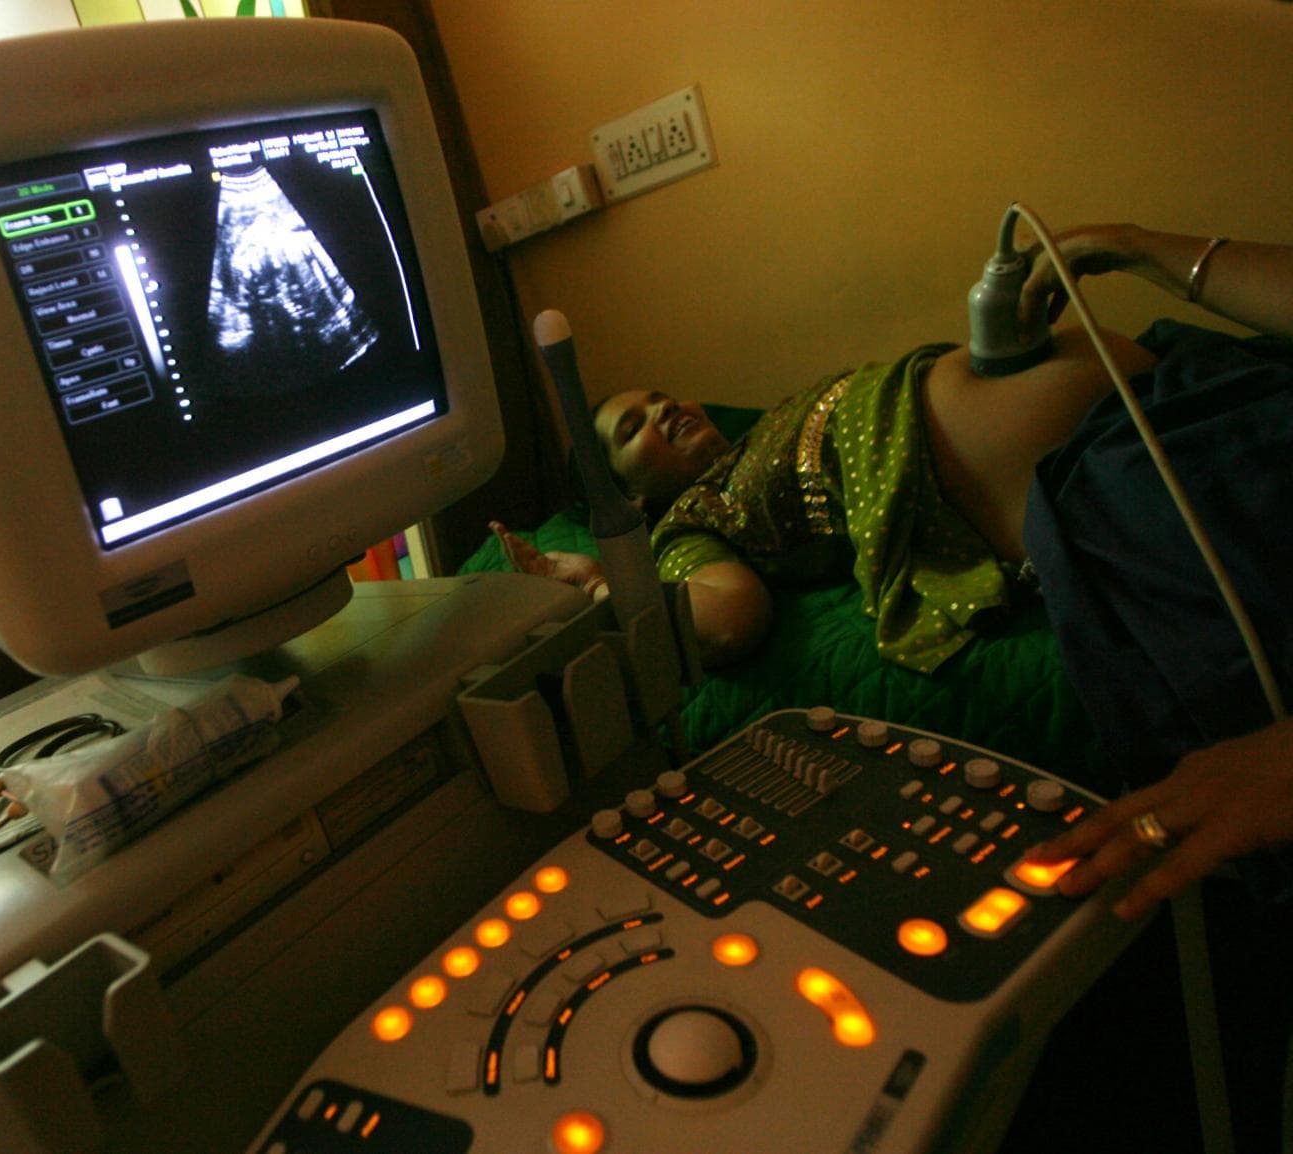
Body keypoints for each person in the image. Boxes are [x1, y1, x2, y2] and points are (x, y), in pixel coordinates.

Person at [495, 221, 1293, 919]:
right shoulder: (691, 522)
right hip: (1124, 470)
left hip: (1181, 383)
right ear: (629, 494)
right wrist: (607, 581)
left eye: (660, 396)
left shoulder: (763, 427)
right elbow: (727, 618)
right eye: (633, 429)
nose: (662, 410)